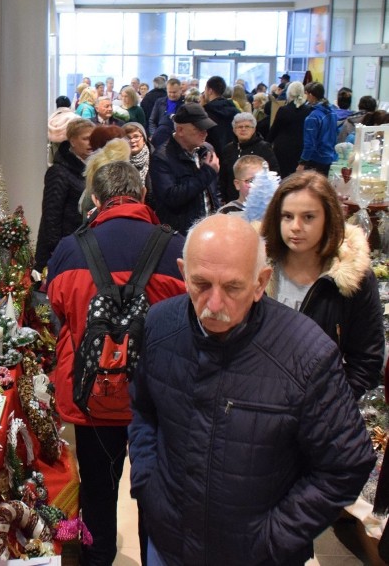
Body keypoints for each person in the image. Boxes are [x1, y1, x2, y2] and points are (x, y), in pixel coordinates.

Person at [129, 213, 375, 565]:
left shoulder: (307, 355)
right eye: (201, 284)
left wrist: (274, 537)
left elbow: (346, 464)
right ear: (183, 273)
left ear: (261, 282)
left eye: (232, 288)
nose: (214, 306)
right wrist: (149, 484)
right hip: (169, 545)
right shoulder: (159, 324)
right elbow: (143, 409)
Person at [47, 161, 185, 566]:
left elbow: (60, 310)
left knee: (97, 490)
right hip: (156, 397)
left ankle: (98, 556)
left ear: (94, 199)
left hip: (93, 395)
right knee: (157, 491)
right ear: (143, 196)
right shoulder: (175, 247)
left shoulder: (71, 248)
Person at [260, 171, 383, 399]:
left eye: (308, 217)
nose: (295, 227)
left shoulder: (354, 278)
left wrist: (331, 405)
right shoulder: (255, 268)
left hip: (325, 408)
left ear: (328, 217)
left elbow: (367, 361)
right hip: (261, 399)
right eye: (287, 216)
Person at [149, 103, 221, 234]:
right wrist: (207, 173)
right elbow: (171, 198)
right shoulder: (162, 158)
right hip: (182, 234)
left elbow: (215, 190)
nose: (205, 133)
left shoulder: (206, 150)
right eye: (199, 129)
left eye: (206, 128)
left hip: (211, 229)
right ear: (181, 130)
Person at [34, 117, 95, 271]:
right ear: (72, 141)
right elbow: (51, 216)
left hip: (82, 244)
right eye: (86, 139)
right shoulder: (59, 171)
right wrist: (58, 249)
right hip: (63, 248)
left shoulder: (91, 167)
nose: (91, 143)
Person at [217, 112, 279, 202]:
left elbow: (274, 172)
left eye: (247, 126)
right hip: (233, 199)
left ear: (254, 129)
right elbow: (223, 176)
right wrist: (222, 198)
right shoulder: (228, 149)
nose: (243, 129)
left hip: (258, 200)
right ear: (234, 130)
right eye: (239, 127)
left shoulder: (264, 147)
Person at [268, 81, 311, 179]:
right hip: (300, 149)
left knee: (283, 178)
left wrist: (267, 144)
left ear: (289, 93)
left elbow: (273, 131)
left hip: (282, 149)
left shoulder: (283, 110)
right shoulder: (309, 110)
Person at [297, 82, 338, 176]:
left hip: (315, 159)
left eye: (306, 94)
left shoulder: (313, 117)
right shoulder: (333, 113)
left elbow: (309, 144)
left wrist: (302, 163)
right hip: (329, 157)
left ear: (310, 95)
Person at [202, 75, 239, 157]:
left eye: (205, 89)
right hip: (232, 154)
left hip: (211, 154)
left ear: (210, 91)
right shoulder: (235, 111)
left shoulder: (205, 113)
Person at [123, 122, 154, 208]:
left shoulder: (156, 159)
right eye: (127, 138)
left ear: (144, 139)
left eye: (136, 137)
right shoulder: (119, 162)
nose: (132, 141)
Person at [148, 78, 184, 148]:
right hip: (159, 138)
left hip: (177, 140)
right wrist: (154, 134)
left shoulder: (185, 104)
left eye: (174, 92)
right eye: (169, 92)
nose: (172, 95)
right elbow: (152, 120)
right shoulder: (159, 102)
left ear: (180, 90)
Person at [48, 96, 79, 164]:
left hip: (54, 152)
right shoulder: (75, 118)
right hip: (70, 151)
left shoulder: (51, 118)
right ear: (69, 105)